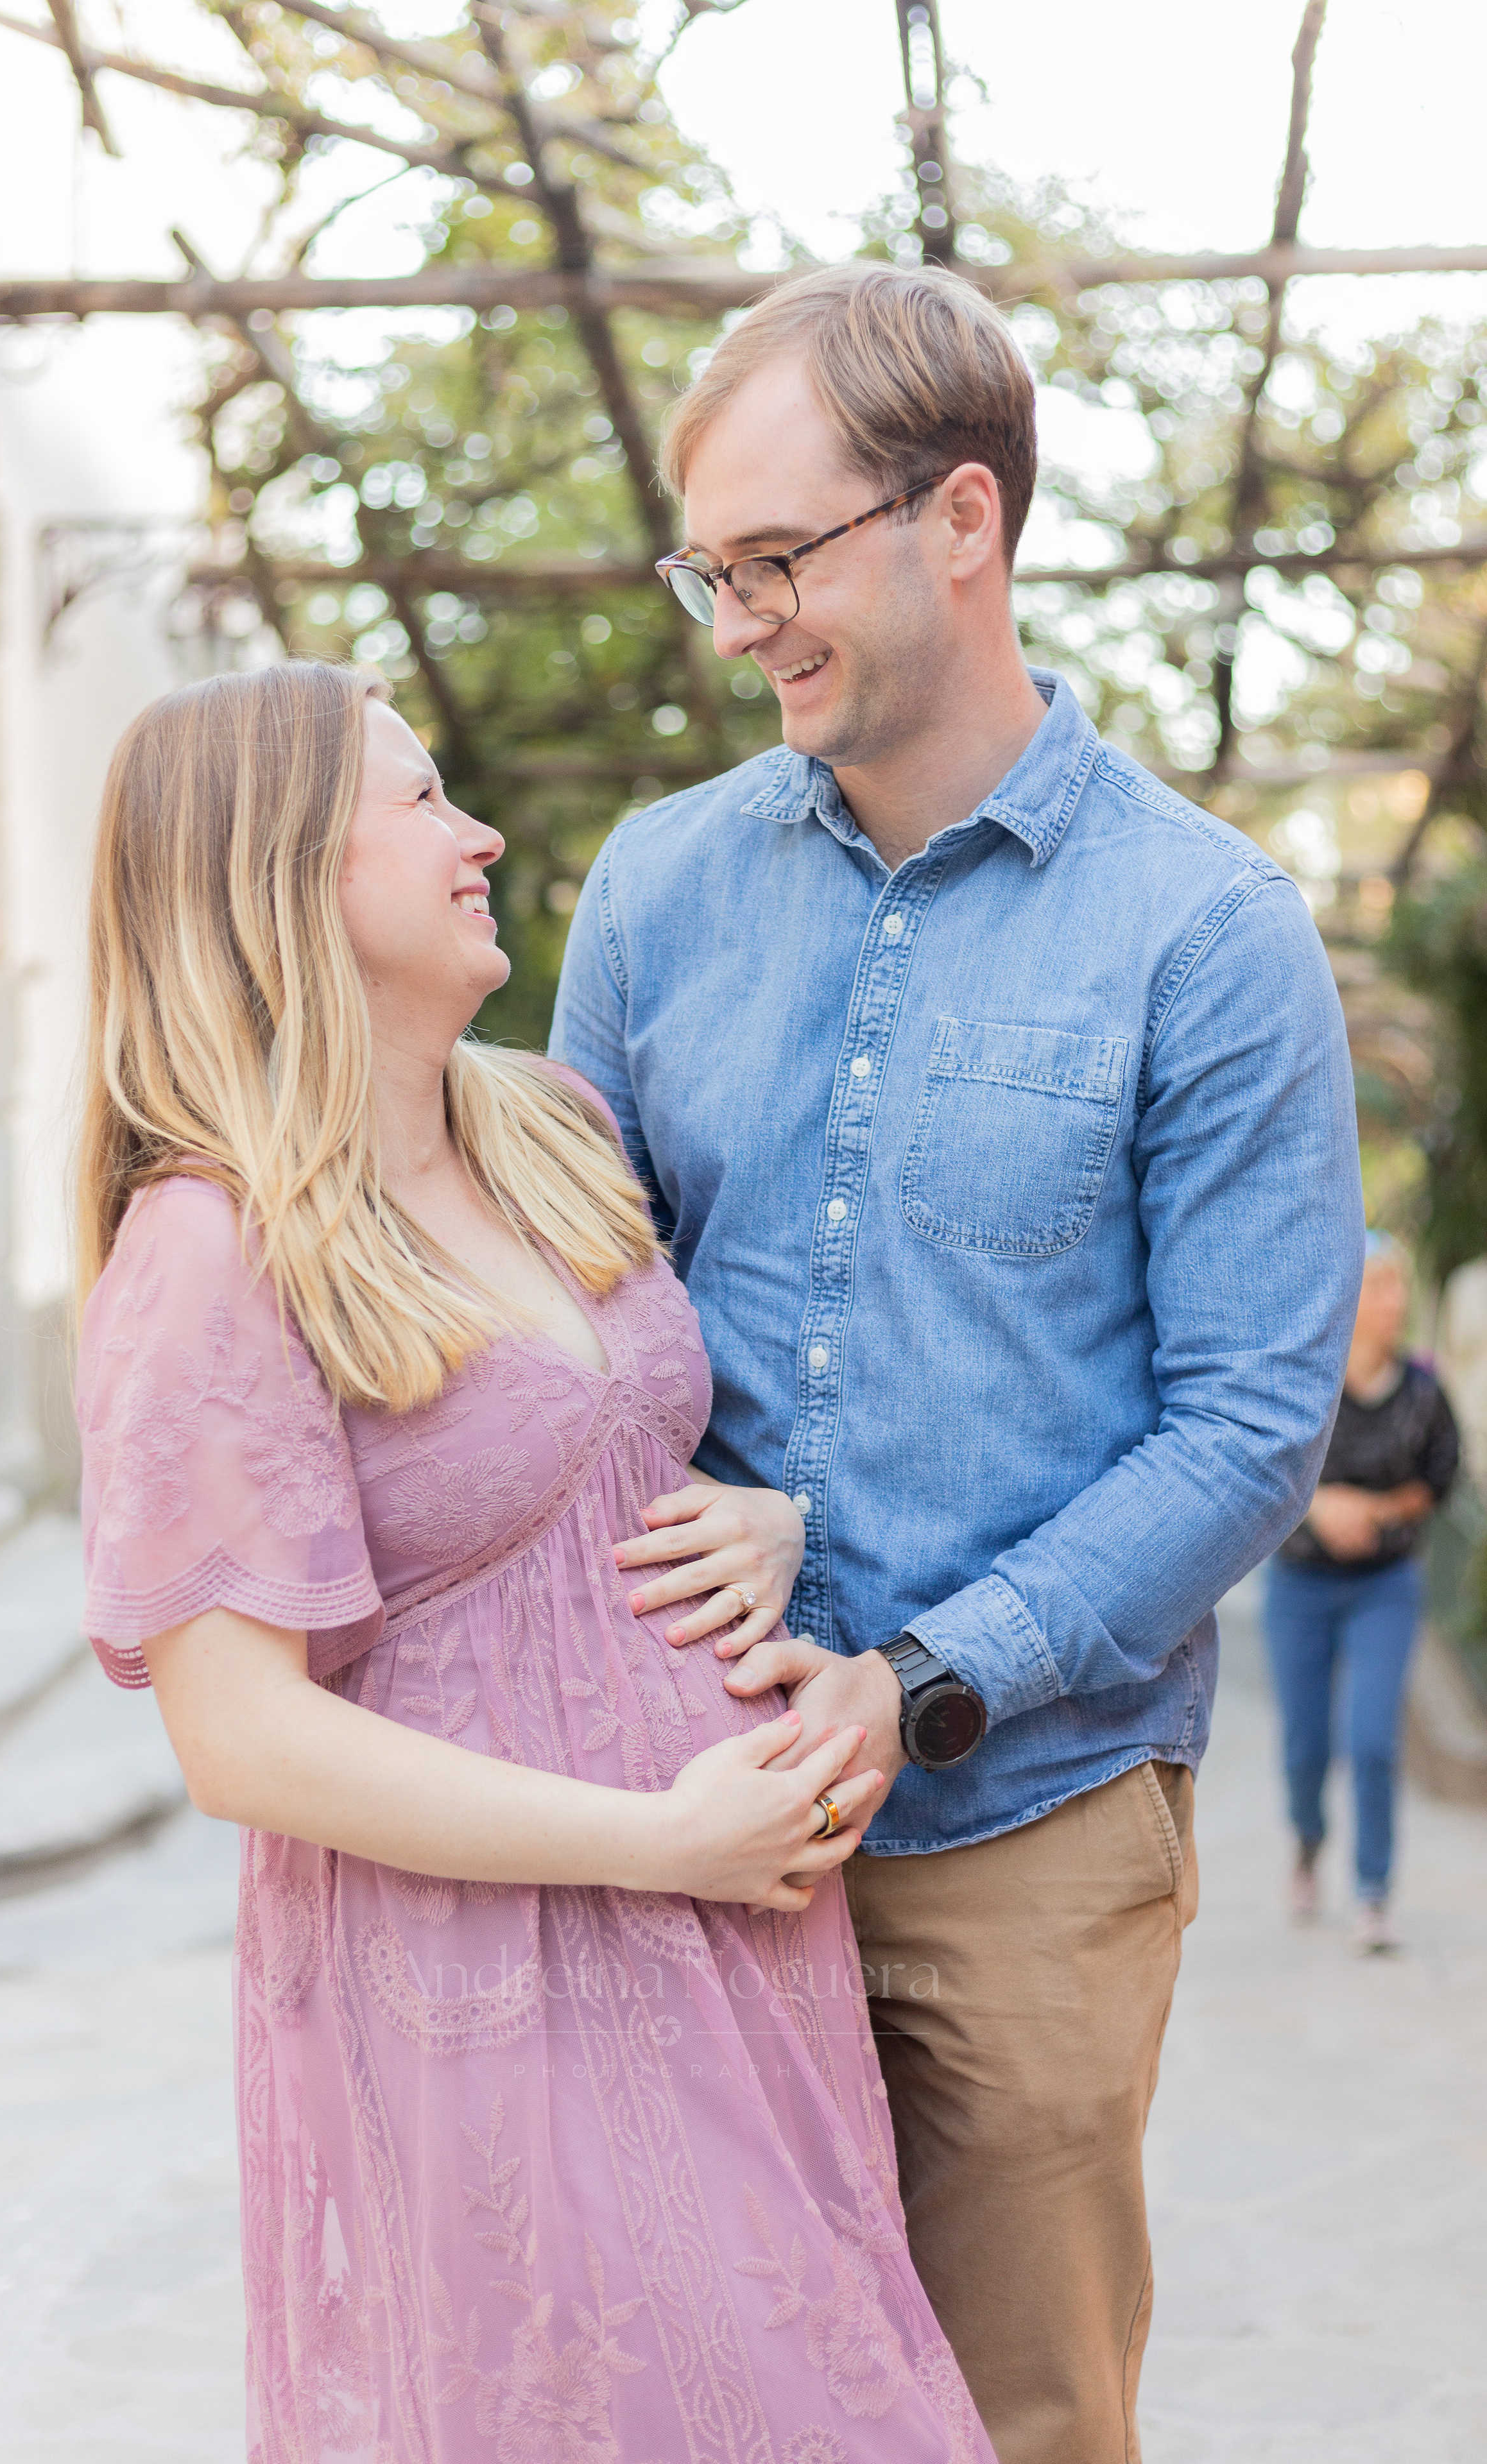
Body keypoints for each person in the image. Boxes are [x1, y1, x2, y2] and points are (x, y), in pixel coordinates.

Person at [550, 261, 1365, 2464]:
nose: (738, 624)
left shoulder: (1207, 933)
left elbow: (1249, 1422)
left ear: (963, 519)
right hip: (690, 1802)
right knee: (699, 2414)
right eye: (708, 572)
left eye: (778, 559)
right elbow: (576, 1316)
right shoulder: (652, 890)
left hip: (1025, 1826)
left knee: (1021, 2424)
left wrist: (916, 1677)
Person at [74, 662, 995, 2464]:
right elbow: (240, 1739)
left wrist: (770, 1512)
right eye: (420, 798)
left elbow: (625, 1454)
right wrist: (658, 1839)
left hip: (733, 1933)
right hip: (493, 1971)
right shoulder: (209, 1245)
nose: (482, 831)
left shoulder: (548, 1128)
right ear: (280, 869)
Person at [1266, 1230, 1459, 1952]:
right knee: (1305, 1745)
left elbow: (1439, 1479)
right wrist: (1321, 1507)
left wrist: (1378, 1510)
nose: (1394, 1301)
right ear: (1347, 1295)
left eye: (1398, 1286)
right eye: (1379, 1285)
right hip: (1301, 1585)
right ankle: (1308, 1839)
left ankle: (1373, 1892)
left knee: (1373, 1739)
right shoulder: (1304, 1385)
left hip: (1384, 1585)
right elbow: (1262, 1467)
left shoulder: (1423, 1394)